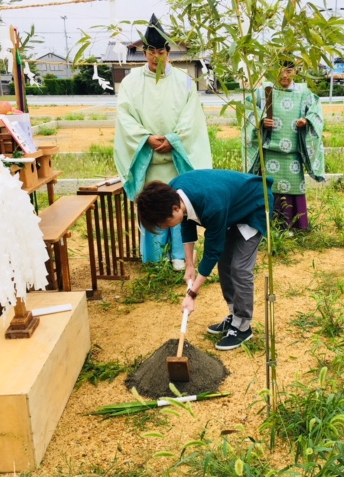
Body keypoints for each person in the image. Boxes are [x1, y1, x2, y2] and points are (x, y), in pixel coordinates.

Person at [113, 14, 212, 271]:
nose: (156, 56)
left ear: (168, 51)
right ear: (144, 52)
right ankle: (155, 258)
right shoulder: (130, 83)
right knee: (153, 204)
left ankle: (181, 256)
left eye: (161, 50)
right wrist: (145, 138)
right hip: (148, 161)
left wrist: (174, 139)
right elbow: (125, 117)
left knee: (179, 204)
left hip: (177, 160)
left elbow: (192, 117)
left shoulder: (185, 81)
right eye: (150, 51)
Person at [135, 170, 273, 351]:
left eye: (164, 223)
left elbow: (212, 251)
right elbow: (187, 223)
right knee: (225, 263)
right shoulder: (175, 192)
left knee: (239, 268)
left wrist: (192, 294)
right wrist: (189, 266)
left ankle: (243, 327)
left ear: (175, 208)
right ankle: (235, 315)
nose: (165, 227)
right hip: (232, 207)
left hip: (255, 205)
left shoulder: (212, 205)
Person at [245, 60, 324, 231]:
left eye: (289, 71)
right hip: (269, 152)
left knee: (294, 188)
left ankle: (297, 226)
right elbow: (248, 109)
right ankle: (268, 226)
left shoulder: (303, 92)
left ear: (295, 71)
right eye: (281, 71)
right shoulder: (264, 91)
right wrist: (260, 121)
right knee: (268, 189)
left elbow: (316, 112)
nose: (285, 75)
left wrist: (307, 120)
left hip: (293, 154)